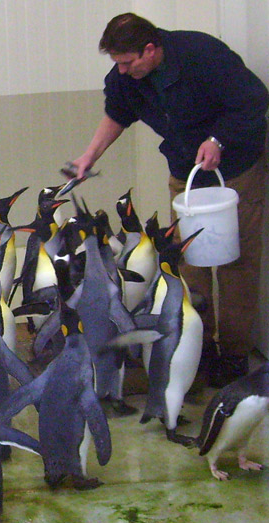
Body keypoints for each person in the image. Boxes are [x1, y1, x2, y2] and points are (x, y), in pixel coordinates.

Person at [71, 12, 268, 388]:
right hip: (186, 173)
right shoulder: (126, 78)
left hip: (237, 170)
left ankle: (234, 355)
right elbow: (117, 114)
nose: (124, 71)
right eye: (118, 64)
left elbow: (253, 100)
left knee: (237, 263)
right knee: (188, 262)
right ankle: (201, 347)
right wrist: (89, 157)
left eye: (128, 62)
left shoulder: (203, 55)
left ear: (150, 49)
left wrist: (218, 140)